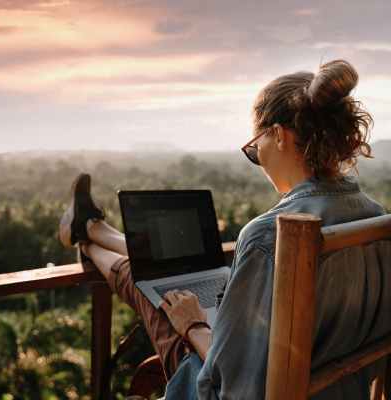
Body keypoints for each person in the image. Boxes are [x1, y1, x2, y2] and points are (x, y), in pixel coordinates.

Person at [59, 59, 388, 399]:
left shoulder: (269, 237)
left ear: (277, 135)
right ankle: (91, 230)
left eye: (254, 148)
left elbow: (234, 385)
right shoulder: (376, 219)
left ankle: (87, 235)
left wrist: (194, 325)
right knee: (167, 277)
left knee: (157, 291)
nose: (257, 158)